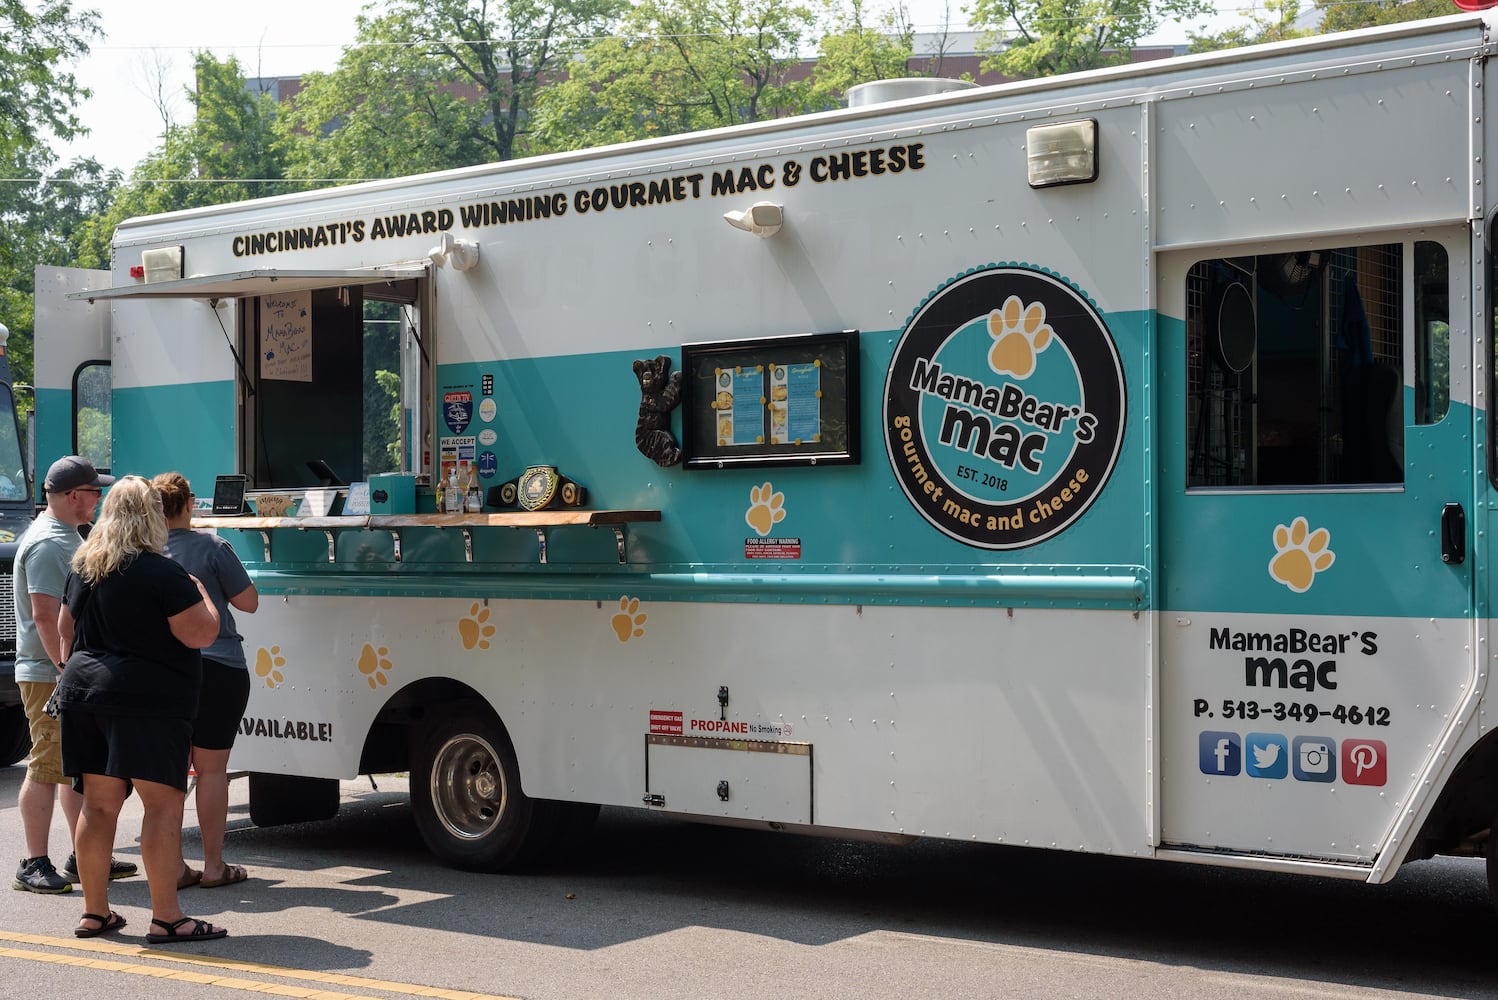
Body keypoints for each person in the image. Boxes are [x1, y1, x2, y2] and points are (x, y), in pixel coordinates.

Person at [54, 475, 226, 942]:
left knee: (99, 804)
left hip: (85, 694)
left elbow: (64, 628)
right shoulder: (163, 572)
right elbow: (201, 634)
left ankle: (95, 913)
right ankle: (168, 917)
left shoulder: (85, 567)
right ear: (153, 516)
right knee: (162, 806)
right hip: (148, 700)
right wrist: (203, 593)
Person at [12, 456, 138, 893]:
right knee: (46, 765)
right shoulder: (49, 543)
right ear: (71, 496)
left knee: (70, 768)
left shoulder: (69, 535)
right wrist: (66, 670)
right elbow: (46, 618)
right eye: (93, 492)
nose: (98, 500)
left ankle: (80, 855)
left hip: (60, 670)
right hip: (50, 672)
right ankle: (32, 862)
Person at [153, 472, 257, 890]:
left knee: (173, 773)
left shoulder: (146, 553)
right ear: (190, 505)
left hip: (167, 671)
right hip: (220, 667)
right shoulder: (213, 547)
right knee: (212, 772)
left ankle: (176, 866)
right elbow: (249, 603)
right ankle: (214, 866)